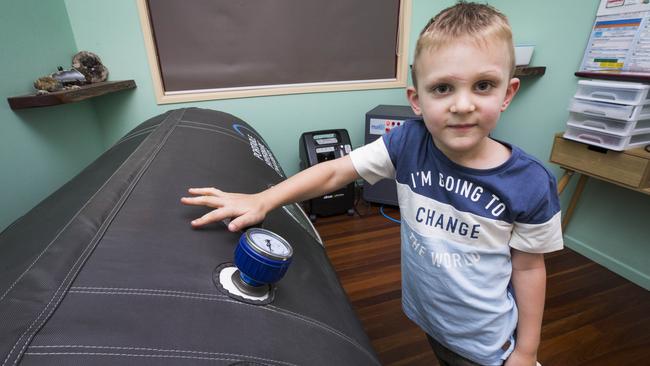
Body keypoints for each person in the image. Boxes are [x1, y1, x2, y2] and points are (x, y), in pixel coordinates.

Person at [181, 2, 563, 365]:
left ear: (508, 93)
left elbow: (529, 269)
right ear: (416, 99)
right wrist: (264, 200)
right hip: (432, 321)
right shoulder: (407, 142)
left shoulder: (529, 182)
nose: (462, 105)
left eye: (483, 85)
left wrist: (526, 353)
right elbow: (335, 171)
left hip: (489, 344)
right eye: (442, 88)